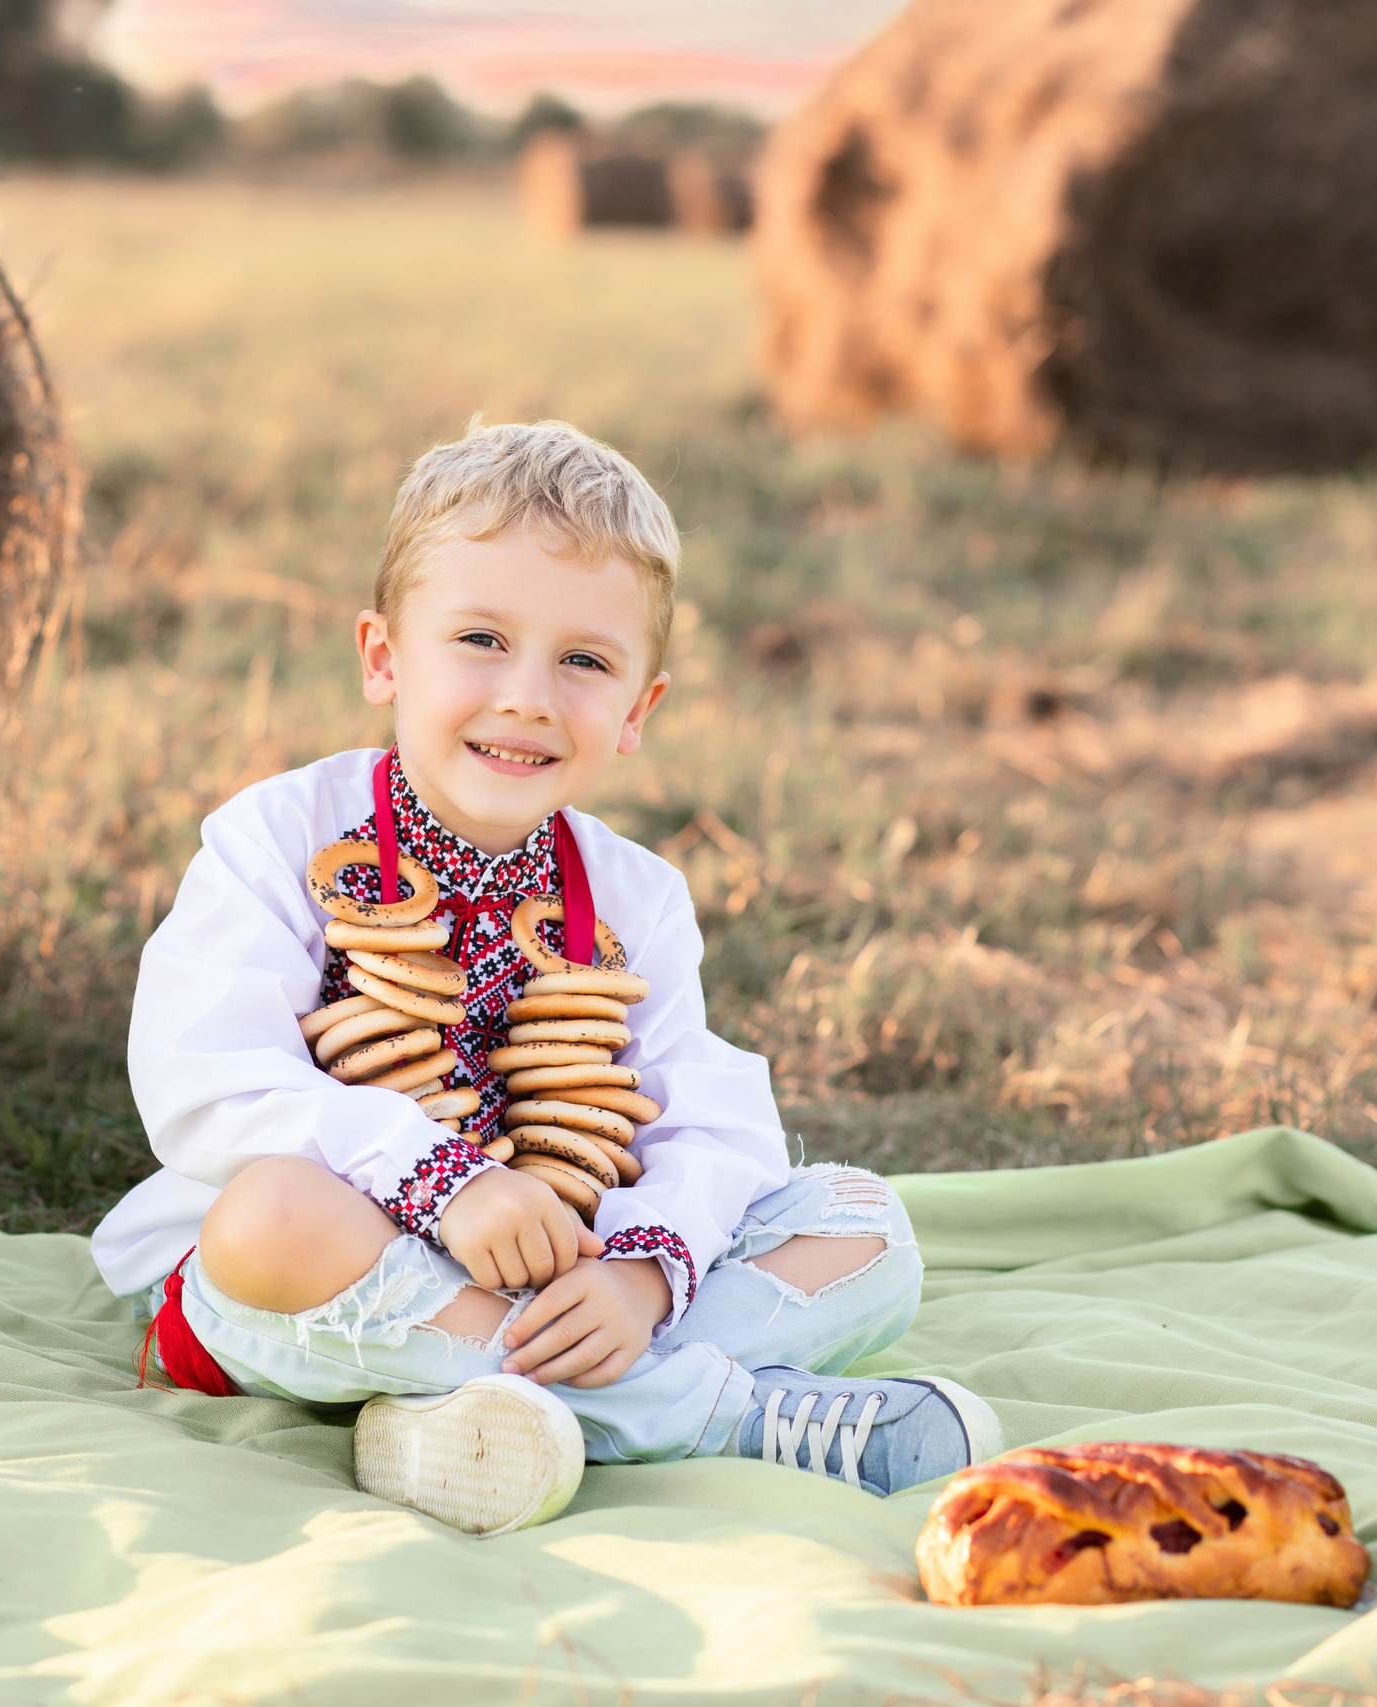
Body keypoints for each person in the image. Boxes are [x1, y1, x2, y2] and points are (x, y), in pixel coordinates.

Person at [90, 419, 998, 1537]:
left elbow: (700, 1116)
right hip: (313, 1282)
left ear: (637, 713)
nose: (526, 696)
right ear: (383, 658)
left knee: (867, 1225)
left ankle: (461, 1420)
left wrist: (643, 1277)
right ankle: (709, 1413)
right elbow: (204, 1080)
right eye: (479, 638)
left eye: (583, 661)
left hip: (568, 1275)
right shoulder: (278, 837)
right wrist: (441, 1180)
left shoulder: (633, 899)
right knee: (267, 1213)